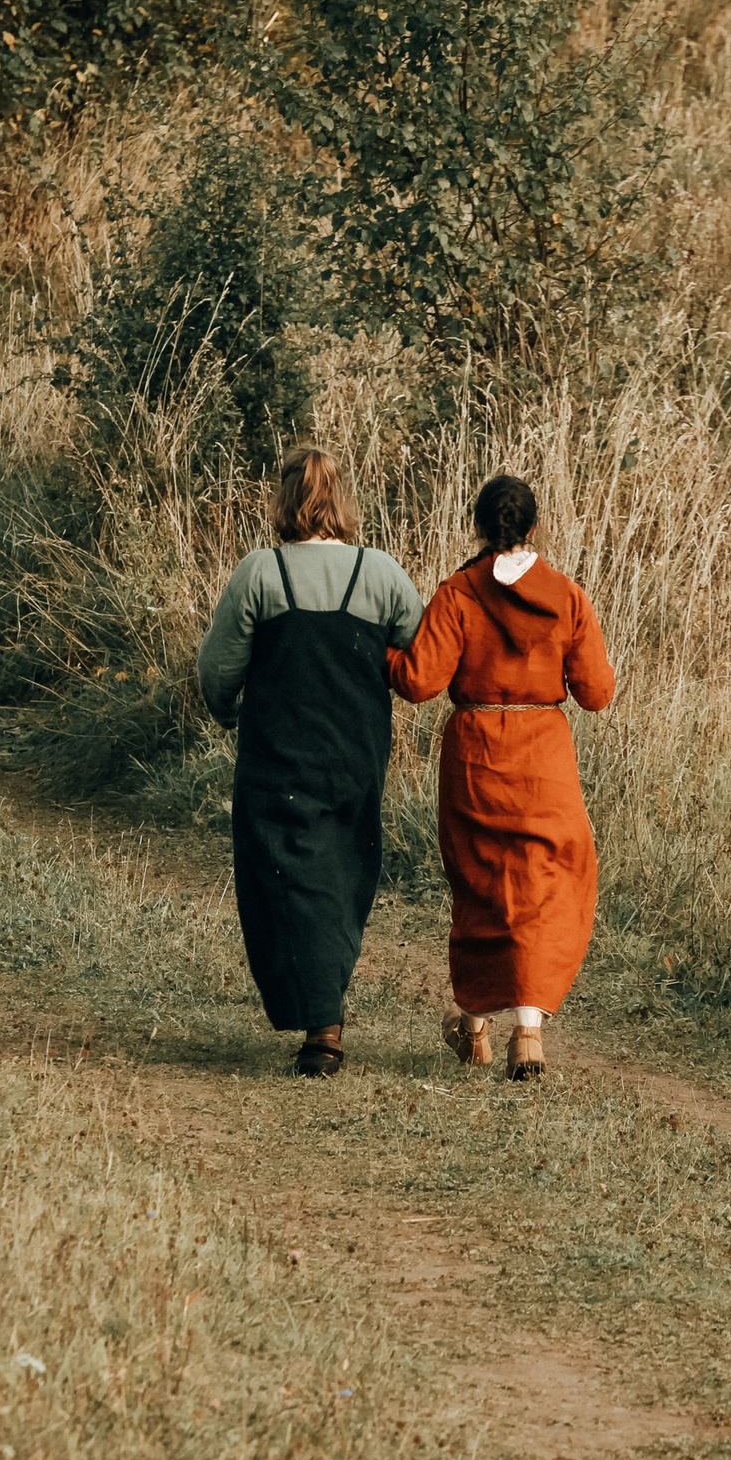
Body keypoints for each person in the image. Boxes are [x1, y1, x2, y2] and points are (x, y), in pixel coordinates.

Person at [197, 448, 424, 1076]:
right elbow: (422, 658)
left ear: (284, 499)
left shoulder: (259, 573)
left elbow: (217, 670)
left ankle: (322, 1023)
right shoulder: (381, 574)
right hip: (356, 754)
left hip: (276, 755)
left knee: (282, 878)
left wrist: (225, 712)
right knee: (343, 876)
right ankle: (325, 1011)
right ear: (341, 501)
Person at [385, 475, 614, 1080]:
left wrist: (377, 650)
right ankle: (528, 1035)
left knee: (481, 884)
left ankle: (475, 1026)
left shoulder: (458, 592)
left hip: (477, 756)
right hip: (544, 760)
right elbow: (597, 693)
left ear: (479, 527)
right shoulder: (567, 596)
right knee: (546, 885)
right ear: (534, 527)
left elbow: (419, 682)